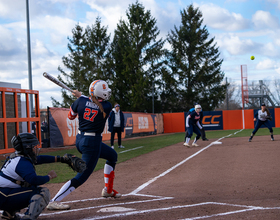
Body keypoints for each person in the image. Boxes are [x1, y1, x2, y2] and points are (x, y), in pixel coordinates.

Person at [47, 80, 121, 211]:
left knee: (112, 155)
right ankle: (54, 200)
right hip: (92, 143)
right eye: (105, 90)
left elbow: (71, 116)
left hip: (80, 140)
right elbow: (96, 104)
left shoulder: (80, 101)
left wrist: (80, 98)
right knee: (81, 176)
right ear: (99, 93)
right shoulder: (108, 106)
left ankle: (108, 190)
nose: (107, 91)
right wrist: (81, 97)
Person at [0, 133, 64, 219]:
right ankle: (28, 218)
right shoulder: (22, 162)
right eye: (33, 146)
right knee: (41, 192)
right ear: (27, 148)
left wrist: (60, 159)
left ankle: (8, 214)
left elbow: (40, 159)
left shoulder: (17, 157)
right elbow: (33, 179)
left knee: (24, 187)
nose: (35, 148)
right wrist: (49, 176)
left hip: (3, 194)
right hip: (3, 196)